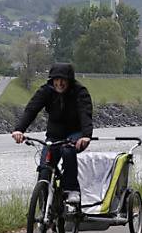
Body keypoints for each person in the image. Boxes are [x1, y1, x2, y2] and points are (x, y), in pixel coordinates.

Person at [11, 63, 93, 209]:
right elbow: (31, 109)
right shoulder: (46, 91)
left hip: (75, 133)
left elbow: (85, 114)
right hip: (54, 135)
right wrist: (19, 130)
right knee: (45, 167)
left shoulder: (80, 92)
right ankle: (44, 206)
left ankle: (71, 190)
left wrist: (86, 135)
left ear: (70, 81)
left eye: (63, 80)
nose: (60, 83)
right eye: (56, 79)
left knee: (68, 150)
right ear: (52, 80)